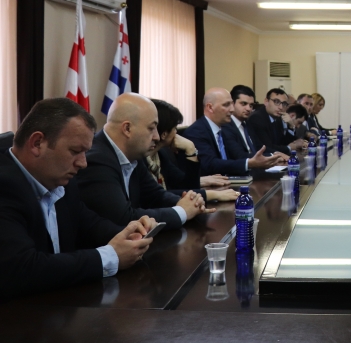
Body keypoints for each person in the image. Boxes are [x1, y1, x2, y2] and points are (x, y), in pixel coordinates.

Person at [0, 98, 156, 301]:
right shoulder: (4, 185)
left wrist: (130, 235)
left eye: (85, 152)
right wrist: (111, 257)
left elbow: (88, 224)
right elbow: (22, 268)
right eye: (75, 151)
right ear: (37, 143)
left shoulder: (61, 180)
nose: (83, 163)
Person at [77, 93, 209, 231]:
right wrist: (182, 211)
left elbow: (154, 195)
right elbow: (124, 219)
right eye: (151, 128)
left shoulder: (133, 154)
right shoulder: (97, 160)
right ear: (127, 129)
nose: (157, 137)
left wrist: (189, 203)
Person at [148, 99, 238, 203]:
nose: (176, 133)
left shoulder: (161, 154)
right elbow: (157, 196)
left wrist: (191, 150)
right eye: (175, 128)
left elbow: (188, 186)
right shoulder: (140, 159)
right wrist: (213, 195)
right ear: (164, 134)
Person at [183, 88, 287, 176]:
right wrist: (249, 163)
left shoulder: (221, 129)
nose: (232, 109)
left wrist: (272, 156)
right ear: (210, 107)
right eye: (226, 105)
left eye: (232, 104)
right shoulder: (197, 131)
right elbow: (210, 164)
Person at [249, 88, 306, 154]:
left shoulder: (278, 118)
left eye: (284, 104)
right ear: (266, 101)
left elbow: (282, 143)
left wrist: (291, 126)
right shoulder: (257, 118)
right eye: (276, 102)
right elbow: (266, 148)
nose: (281, 107)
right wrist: (289, 147)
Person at [221, 85, 257, 158]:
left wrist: (274, 155)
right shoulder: (225, 126)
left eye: (251, 105)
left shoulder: (249, 123)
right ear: (232, 103)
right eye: (243, 104)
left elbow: (259, 147)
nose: (248, 109)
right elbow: (238, 155)